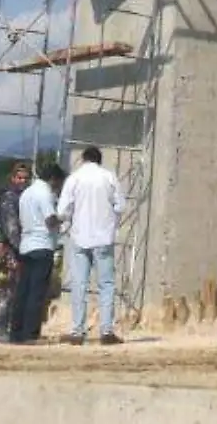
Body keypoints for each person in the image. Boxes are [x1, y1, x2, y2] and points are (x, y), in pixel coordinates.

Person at [55, 145, 128, 345]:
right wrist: (111, 220)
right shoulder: (109, 177)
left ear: (84, 159)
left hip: (80, 236)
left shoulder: (74, 178)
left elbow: (63, 210)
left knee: (79, 284)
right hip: (103, 237)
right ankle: (106, 330)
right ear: (99, 160)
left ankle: (77, 331)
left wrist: (68, 221)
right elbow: (121, 205)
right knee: (106, 284)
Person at [8, 163, 64, 344]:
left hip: (26, 246)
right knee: (36, 292)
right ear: (53, 179)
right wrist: (63, 218)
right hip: (42, 245)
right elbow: (50, 220)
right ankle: (31, 334)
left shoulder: (27, 193)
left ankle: (16, 332)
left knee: (22, 291)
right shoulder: (45, 193)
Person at [0, 161, 31, 344]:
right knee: (7, 292)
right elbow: (11, 228)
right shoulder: (10, 199)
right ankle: (1, 330)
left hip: (17, 249)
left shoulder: (23, 198)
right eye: (19, 177)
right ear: (13, 178)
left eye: (25, 178)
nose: (22, 180)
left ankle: (12, 328)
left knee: (15, 291)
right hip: (10, 250)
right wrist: (21, 248)